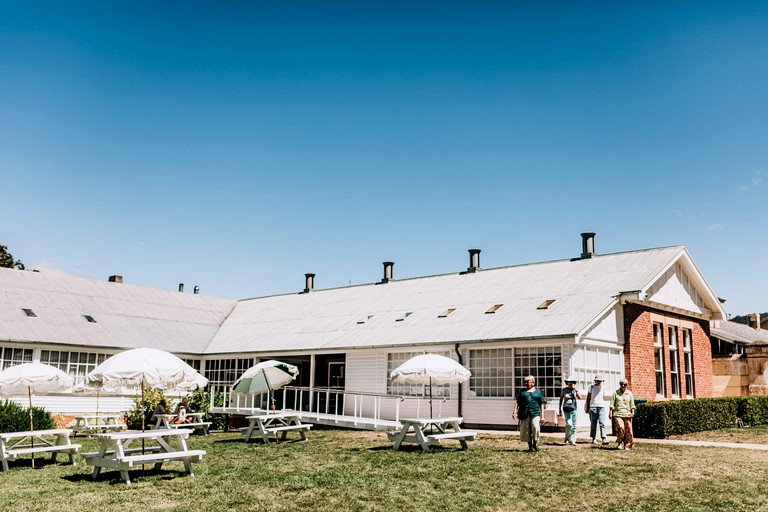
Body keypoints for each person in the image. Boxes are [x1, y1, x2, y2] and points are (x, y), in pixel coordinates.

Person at [512, 375, 546, 452]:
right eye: (525, 382)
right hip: (524, 413)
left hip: (535, 413)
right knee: (526, 430)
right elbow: (517, 402)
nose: (525, 383)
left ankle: (535, 444)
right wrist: (514, 412)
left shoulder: (538, 392)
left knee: (535, 427)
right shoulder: (522, 392)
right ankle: (530, 446)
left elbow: (541, 404)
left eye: (527, 382)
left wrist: (542, 416)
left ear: (532, 382)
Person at [609, 379, 636, 450]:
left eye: (625, 384)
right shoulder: (615, 393)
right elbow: (612, 404)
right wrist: (610, 413)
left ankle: (628, 445)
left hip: (627, 414)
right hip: (618, 413)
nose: (623, 386)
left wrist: (632, 413)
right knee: (620, 428)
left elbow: (632, 405)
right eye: (621, 384)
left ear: (627, 385)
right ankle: (619, 442)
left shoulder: (629, 393)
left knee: (629, 430)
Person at [558, 377, 583, 445]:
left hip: (574, 408)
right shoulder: (564, 390)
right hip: (566, 408)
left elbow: (580, 397)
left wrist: (575, 390)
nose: (570, 384)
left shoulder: (575, 390)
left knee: (574, 425)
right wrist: (559, 409)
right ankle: (567, 437)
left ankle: (573, 440)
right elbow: (561, 399)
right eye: (569, 383)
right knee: (569, 424)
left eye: (572, 382)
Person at [585, 375, 608, 445]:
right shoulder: (591, 387)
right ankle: (593, 438)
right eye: (597, 381)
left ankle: (604, 439)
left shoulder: (603, 388)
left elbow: (602, 397)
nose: (599, 382)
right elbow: (588, 398)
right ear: (595, 381)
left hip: (601, 407)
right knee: (593, 424)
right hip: (593, 407)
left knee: (602, 423)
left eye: (600, 381)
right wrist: (587, 407)